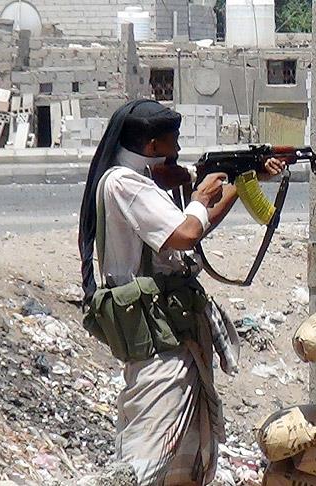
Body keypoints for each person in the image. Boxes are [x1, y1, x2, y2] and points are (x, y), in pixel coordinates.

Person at [77, 99, 284, 485]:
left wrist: (241, 182)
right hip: (158, 340)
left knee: (183, 457)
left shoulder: (140, 178)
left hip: (172, 332)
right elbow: (187, 232)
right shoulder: (125, 184)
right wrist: (200, 196)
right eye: (173, 141)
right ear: (152, 145)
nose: (177, 149)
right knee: (150, 453)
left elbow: (194, 227)